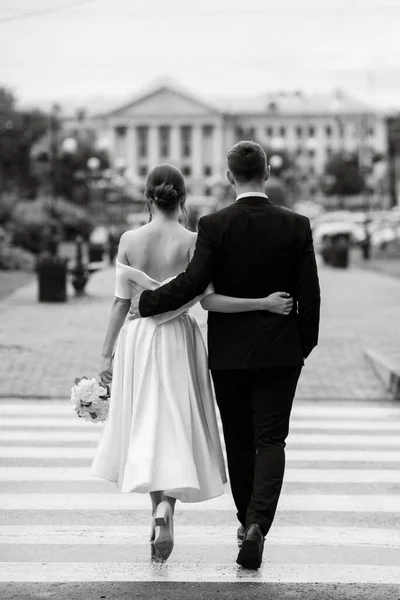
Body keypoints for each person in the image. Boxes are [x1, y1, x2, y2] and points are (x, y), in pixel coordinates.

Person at [92, 162, 295, 563]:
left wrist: (106, 355)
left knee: (147, 423)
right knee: (176, 421)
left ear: (147, 197)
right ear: (183, 199)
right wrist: (264, 304)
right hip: (179, 338)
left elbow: (120, 303)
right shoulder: (192, 241)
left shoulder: (130, 240)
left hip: (137, 339)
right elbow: (204, 298)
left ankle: (157, 512)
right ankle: (169, 503)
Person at [132, 142, 321, 570]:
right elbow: (310, 296)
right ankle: (257, 525)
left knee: (238, 439)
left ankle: (244, 520)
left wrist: (146, 304)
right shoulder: (296, 224)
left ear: (229, 176)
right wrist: (300, 347)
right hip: (280, 353)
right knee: (271, 440)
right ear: (268, 172)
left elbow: (194, 283)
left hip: (230, 355)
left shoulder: (215, 224)